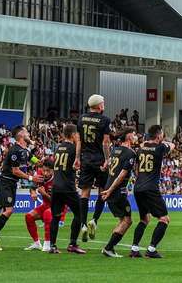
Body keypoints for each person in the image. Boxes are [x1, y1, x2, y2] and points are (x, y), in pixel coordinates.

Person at [0, 125, 43, 251]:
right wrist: (32, 178)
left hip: (12, 184)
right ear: (21, 135)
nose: (28, 134)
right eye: (26, 132)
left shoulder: (25, 150)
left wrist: (41, 158)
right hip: (5, 182)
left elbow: (36, 161)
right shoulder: (15, 150)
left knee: (5, 211)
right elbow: (15, 171)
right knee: (9, 210)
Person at [131, 124, 174, 258]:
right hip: (150, 187)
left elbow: (136, 169)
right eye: (161, 134)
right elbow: (172, 146)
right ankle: (151, 249)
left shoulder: (140, 148)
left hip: (138, 187)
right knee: (164, 219)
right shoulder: (160, 147)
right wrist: (161, 141)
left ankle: (134, 249)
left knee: (144, 219)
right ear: (158, 135)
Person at [76, 94, 112, 243]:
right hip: (99, 160)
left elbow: (79, 140)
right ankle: (94, 220)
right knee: (103, 191)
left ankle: (83, 224)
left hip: (85, 159)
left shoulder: (81, 118)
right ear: (98, 105)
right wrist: (108, 159)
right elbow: (105, 143)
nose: (104, 105)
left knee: (85, 192)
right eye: (103, 103)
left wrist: (77, 158)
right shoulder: (104, 120)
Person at [47, 124, 86, 254]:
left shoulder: (58, 148)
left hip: (56, 187)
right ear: (74, 135)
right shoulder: (74, 148)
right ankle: (72, 244)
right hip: (67, 187)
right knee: (79, 214)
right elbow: (77, 163)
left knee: (56, 217)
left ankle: (52, 246)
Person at [100, 128, 138, 258]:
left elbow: (110, 168)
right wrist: (111, 190)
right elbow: (122, 175)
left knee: (123, 219)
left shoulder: (115, 150)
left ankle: (110, 247)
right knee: (127, 221)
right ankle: (108, 247)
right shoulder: (131, 153)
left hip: (110, 189)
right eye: (133, 134)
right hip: (116, 192)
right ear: (128, 137)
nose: (135, 136)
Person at [24, 159, 66, 251]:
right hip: (46, 205)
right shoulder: (40, 175)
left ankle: (47, 245)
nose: (45, 173)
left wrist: (44, 194)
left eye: (48, 171)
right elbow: (32, 187)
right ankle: (37, 243)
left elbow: (57, 201)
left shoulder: (58, 180)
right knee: (28, 216)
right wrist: (33, 193)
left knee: (47, 213)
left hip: (58, 207)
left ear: (53, 170)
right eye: (44, 170)